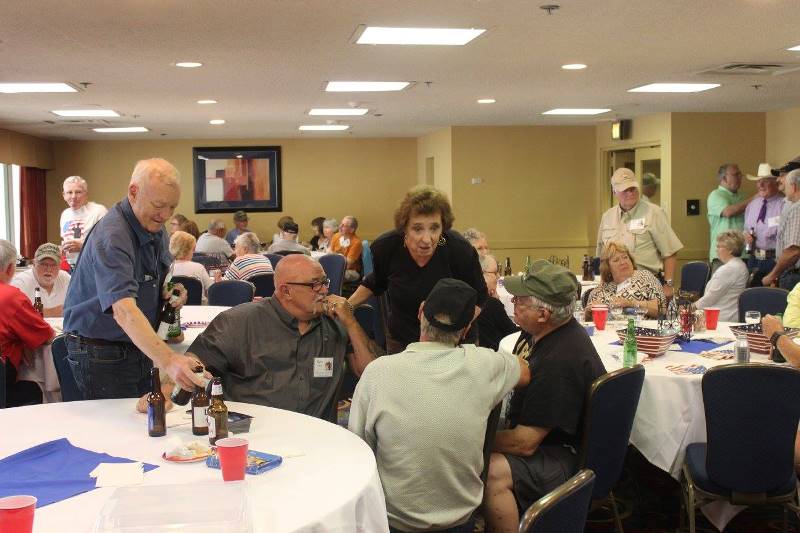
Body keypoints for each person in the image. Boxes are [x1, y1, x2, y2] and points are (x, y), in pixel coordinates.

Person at [349, 278, 531, 533]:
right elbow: (525, 372)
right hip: (460, 521)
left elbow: (358, 450)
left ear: (421, 311)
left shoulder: (378, 372)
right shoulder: (485, 364)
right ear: (466, 329)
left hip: (393, 521)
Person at [62, 158, 206, 400]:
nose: (165, 215)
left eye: (172, 207)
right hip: (101, 351)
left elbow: (155, 277)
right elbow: (124, 311)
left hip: (136, 344)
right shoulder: (113, 235)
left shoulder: (154, 225)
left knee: (145, 416)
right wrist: (170, 360)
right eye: (159, 205)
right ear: (133, 192)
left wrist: (169, 291)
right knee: (119, 421)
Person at [484, 260, 606, 533]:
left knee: (490, 470)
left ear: (543, 314)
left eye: (520, 300)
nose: (513, 302)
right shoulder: (544, 333)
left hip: (564, 456)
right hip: (551, 439)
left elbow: (525, 443)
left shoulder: (559, 361)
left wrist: (473, 440)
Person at [182, 255, 379, 417]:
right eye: (315, 285)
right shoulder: (239, 322)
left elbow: (372, 375)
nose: (325, 290)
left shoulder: (336, 323)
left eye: (325, 282)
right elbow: (191, 365)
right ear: (286, 291)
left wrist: (351, 323)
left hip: (317, 438)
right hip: (256, 437)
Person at [349, 185, 487, 354]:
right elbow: (377, 281)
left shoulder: (458, 249)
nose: (427, 239)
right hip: (403, 341)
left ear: (443, 227)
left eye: (434, 228)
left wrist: (460, 325)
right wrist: (347, 306)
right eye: (417, 229)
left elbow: (480, 296)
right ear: (404, 228)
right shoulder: (388, 247)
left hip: (453, 342)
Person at [596, 168, 683, 298]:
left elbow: (670, 251)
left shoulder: (654, 213)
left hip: (647, 285)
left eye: (633, 189)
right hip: (614, 286)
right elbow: (602, 257)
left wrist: (668, 284)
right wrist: (602, 284)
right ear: (614, 191)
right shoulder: (607, 216)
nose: (630, 193)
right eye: (625, 190)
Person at [0, 239, 54, 406]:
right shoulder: (11, 297)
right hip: (4, 381)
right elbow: (46, 336)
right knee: (35, 389)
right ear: (10, 268)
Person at [586, 241, 665, 318]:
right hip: (607, 326)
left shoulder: (645, 277)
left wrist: (631, 303)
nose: (623, 262)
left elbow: (662, 309)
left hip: (639, 325)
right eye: (616, 260)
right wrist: (589, 313)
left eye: (625, 257)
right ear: (607, 267)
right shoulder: (600, 290)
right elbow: (587, 320)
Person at [693, 230, 749, 322]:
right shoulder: (739, 265)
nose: (716, 249)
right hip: (727, 315)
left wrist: (691, 307)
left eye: (719, 246)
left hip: (721, 319)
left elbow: (711, 297)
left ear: (730, 249)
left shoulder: (729, 269)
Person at [743, 164, 783, 286]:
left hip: (775, 261)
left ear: (775, 182)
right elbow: (745, 230)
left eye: (765, 181)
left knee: (772, 295)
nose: (760, 185)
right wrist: (746, 238)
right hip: (754, 259)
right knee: (752, 294)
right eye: (758, 181)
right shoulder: (752, 205)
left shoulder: (784, 205)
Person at [59, 175, 108, 268]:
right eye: (69, 192)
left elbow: (108, 243)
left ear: (86, 194)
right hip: (70, 267)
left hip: (93, 267)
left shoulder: (99, 211)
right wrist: (61, 249)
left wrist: (82, 246)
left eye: (78, 192)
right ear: (64, 195)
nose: (73, 196)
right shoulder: (65, 214)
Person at [11, 242, 71, 317]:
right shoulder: (20, 283)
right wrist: (53, 312)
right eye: (43, 264)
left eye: (53, 265)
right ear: (34, 263)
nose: (49, 269)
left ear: (59, 266)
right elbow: (14, 313)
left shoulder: (66, 279)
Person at [763, 169, 800, 290]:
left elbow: (793, 250)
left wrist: (772, 275)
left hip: (794, 275)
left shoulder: (797, 208)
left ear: (793, 187)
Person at [707, 164, 749, 265]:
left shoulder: (744, 196)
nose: (739, 178)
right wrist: (755, 198)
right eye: (736, 175)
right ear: (724, 178)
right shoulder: (715, 195)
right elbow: (728, 212)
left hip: (744, 254)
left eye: (740, 175)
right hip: (722, 256)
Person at [476, 254, 518, 351]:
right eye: (495, 273)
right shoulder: (490, 304)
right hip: (494, 355)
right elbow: (513, 334)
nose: (498, 277)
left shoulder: (466, 298)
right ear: (481, 273)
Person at [170, 231, 214, 304]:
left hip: (174, 307)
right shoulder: (199, 268)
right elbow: (211, 290)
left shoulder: (168, 269)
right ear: (188, 250)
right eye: (193, 249)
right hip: (199, 308)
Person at [329, 216, 363, 281]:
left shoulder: (356, 242)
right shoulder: (336, 236)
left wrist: (334, 256)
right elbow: (329, 254)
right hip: (335, 266)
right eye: (341, 224)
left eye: (344, 225)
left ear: (352, 230)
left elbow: (348, 264)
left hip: (350, 270)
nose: (340, 227)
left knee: (333, 274)